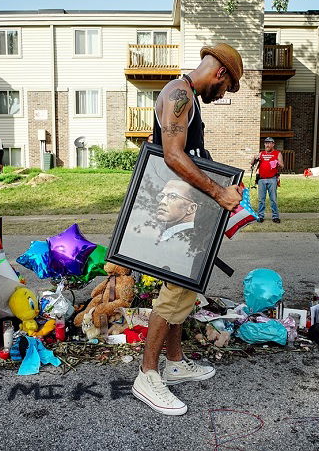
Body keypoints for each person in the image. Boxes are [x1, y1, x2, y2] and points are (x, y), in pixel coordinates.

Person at [132, 43, 243, 416]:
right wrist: (217, 192)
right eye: (227, 88)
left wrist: (222, 188)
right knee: (176, 290)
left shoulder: (185, 95)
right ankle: (148, 375)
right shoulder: (180, 94)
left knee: (184, 286)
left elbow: (188, 156)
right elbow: (173, 154)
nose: (223, 94)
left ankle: (175, 362)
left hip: (187, 209)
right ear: (220, 74)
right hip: (176, 208)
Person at [153, 179, 200, 276]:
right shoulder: (166, 235)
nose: (162, 201)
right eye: (161, 196)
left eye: (172, 196)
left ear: (191, 208)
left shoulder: (188, 243)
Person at [251, 137, 284, 223]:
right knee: (261, 199)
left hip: (272, 179)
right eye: (266, 143)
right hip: (261, 179)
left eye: (269, 143)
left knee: (273, 199)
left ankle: (275, 216)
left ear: (273, 144)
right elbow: (252, 163)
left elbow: (282, 165)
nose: (267, 145)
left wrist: (277, 162)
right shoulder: (261, 153)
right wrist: (254, 158)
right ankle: (260, 216)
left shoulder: (277, 153)